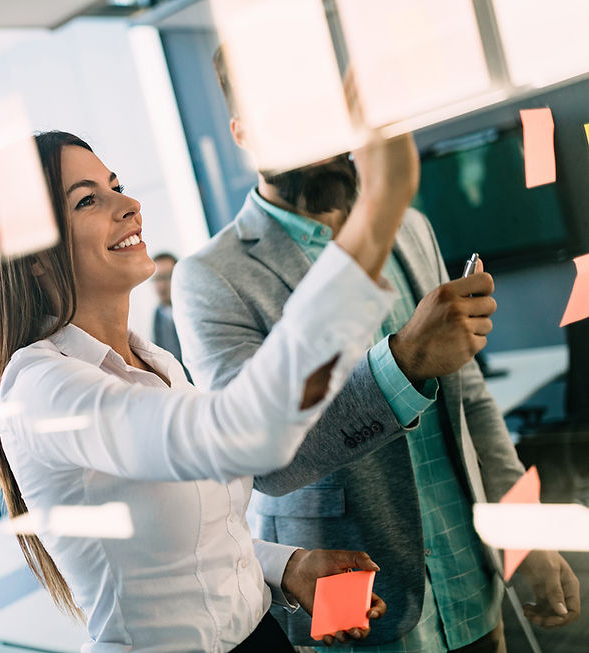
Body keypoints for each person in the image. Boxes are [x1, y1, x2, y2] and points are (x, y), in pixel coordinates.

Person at [171, 45, 581, 652]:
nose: (327, 139)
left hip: (470, 579)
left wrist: (523, 531)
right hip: (356, 602)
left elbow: (469, 401)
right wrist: (404, 362)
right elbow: (262, 463)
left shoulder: (407, 226)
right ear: (243, 134)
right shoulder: (212, 277)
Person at [0, 128, 421, 651]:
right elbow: (243, 435)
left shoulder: (156, 363)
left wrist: (288, 564)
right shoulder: (42, 388)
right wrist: (376, 215)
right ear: (32, 253)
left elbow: (191, 540)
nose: (129, 205)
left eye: (116, 185)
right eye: (89, 200)